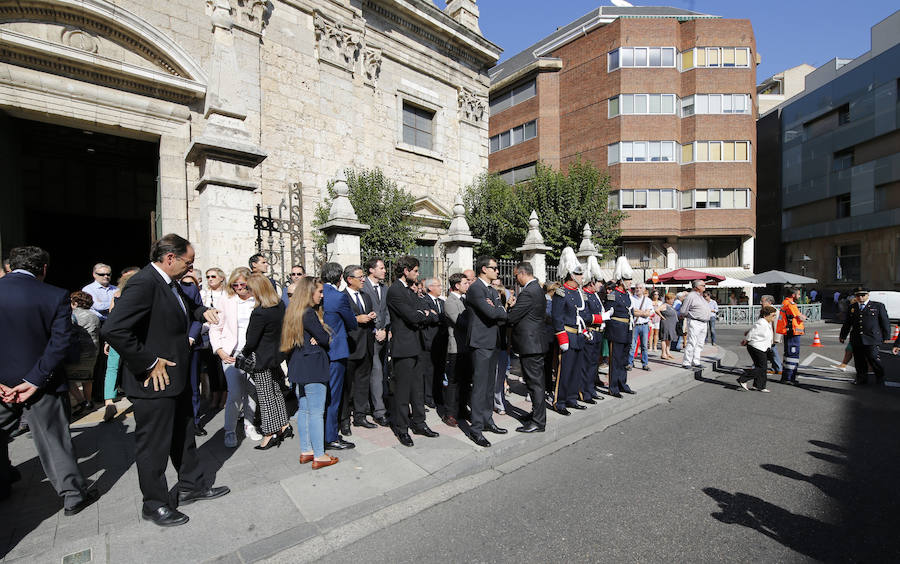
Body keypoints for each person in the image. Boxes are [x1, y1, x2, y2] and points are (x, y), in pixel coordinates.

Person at [102, 234, 229, 527]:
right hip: (153, 382)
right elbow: (114, 330)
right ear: (170, 258)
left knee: (183, 437)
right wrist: (148, 361)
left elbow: (186, 305)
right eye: (189, 261)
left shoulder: (169, 283)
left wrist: (202, 311)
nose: (191, 267)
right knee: (154, 446)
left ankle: (191, 485)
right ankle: (155, 503)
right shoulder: (144, 283)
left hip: (177, 378)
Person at [0, 246, 99, 512]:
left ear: (10, 266)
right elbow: (60, 343)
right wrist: (33, 380)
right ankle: (73, 495)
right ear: (44, 269)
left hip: (2, 385)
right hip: (43, 383)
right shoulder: (54, 295)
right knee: (53, 438)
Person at [282, 276, 339, 470]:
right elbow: (324, 338)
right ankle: (320, 455)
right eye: (319, 292)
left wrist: (316, 336)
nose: (322, 296)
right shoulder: (309, 313)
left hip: (299, 364)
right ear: (309, 293)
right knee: (316, 412)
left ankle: (306, 450)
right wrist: (321, 333)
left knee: (305, 410)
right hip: (313, 365)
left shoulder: (293, 311)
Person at [386, 256, 439, 447]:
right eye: (415, 271)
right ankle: (401, 428)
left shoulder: (411, 290)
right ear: (405, 271)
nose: (418, 275)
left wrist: (423, 314)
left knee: (418, 388)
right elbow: (411, 316)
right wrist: (424, 315)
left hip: (417, 345)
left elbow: (427, 312)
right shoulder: (395, 291)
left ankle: (419, 423)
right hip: (403, 347)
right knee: (402, 391)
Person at [209, 267, 261, 447]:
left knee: (252, 392)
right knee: (235, 393)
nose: (238, 287)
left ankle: (249, 424)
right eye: (235, 284)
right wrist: (220, 350)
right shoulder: (227, 300)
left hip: (253, 353)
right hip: (232, 353)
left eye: (242, 284)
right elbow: (215, 327)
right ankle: (229, 430)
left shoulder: (258, 299)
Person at [241, 273, 291, 449]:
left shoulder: (259, 313)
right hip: (276, 356)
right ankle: (284, 425)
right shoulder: (279, 305)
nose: (248, 291)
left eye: (249, 288)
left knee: (265, 396)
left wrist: (243, 353)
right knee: (277, 391)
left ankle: (269, 433)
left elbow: (252, 341)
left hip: (261, 358)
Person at [465, 256, 509, 447]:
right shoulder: (476, 289)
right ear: (484, 269)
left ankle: (487, 420)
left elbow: (501, 313)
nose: (497, 271)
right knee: (480, 386)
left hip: (493, 341)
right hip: (481, 343)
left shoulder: (491, 290)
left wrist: (497, 307)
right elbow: (492, 313)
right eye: (494, 268)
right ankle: (476, 429)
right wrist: (497, 309)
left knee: (490, 385)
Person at [505, 262, 548, 433]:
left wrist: (509, 307)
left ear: (523, 273)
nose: (516, 279)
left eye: (516, 275)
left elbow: (512, 318)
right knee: (534, 383)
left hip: (531, 345)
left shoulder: (528, 293)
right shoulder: (536, 289)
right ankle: (536, 415)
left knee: (535, 383)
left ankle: (538, 421)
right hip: (534, 343)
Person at [319, 262, 358, 451]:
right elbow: (351, 322)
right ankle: (331, 436)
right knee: (334, 397)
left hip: (319, 351)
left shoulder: (316, 294)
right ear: (340, 277)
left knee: (320, 396)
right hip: (336, 351)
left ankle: (320, 433)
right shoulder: (338, 296)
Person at [551, 250, 592, 414]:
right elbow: (557, 317)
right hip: (567, 335)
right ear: (571, 275)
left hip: (579, 335)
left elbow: (585, 315)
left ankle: (572, 398)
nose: (582, 278)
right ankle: (559, 401)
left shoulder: (580, 293)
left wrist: (587, 329)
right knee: (565, 370)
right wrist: (562, 337)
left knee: (576, 370)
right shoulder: (561, 292)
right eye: (579, 275)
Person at [102, 266, 141, 422]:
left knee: (112, 368)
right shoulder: (139, 295)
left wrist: (108, 340)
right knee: (132, 365)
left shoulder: (116, 295)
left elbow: (111, 319)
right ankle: (135, 396)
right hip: (133, 336)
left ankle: (109, 402)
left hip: (117, 336)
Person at [342, 265, 378, 432]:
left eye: (363, 276)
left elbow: (369, 317)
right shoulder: (341, 298)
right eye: (360, 277)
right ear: (350, 279)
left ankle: (360, 416)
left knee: (363, 383)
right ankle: (343, 420)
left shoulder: (366, 296)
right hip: (350, 346)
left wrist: (371, 318)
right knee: (347, 386)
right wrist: (357, 319)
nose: (363, 279)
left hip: (366, 346)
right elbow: (338, 321)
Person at [840, 287, 891, 386]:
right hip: (857, 337)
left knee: (873, 358)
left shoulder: (878, 306)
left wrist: (886, 336)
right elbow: (847, 323)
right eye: (858, 295)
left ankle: (880, 377)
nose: (861, 297)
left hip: (872, 337)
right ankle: (861, 378)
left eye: (863, 295)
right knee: (859, 360)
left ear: (868, 295)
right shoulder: (853, 307)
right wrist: (843, 335)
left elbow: (885, 322)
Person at [360, 258, 390, 427]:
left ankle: (379, 404)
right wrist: (375, 331)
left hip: (383, 336)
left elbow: (386, 311)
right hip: (369, 337)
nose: (384, 270)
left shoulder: (385, 288)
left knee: (381, 373)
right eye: (381, 268)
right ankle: (378, 411)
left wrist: (385, 329)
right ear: (371, 270)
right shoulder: (363, 287)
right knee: (376, 372)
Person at [64, 290, 101, 415]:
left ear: (74, 302)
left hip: (77, 353)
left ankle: (80, 401)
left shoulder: (71, 315)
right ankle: (89, 400)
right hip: (92, 353)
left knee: (67, 378)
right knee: (87, 378)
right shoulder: (95, 316)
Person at [179, 271, 206, 435]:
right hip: (166, 348)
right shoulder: (157, 287)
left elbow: (198, 314)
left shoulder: (190, 289)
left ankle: (194, 421)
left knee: (193, 385)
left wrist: (191, 336)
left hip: (190, 346)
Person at [605, 258, 636, 398]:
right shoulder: (613, 295)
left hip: (627, 329)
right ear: (621, 280)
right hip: (617, 330)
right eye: (627, 280)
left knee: (624, 360)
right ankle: (613, 387)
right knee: (615, 360)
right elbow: (608, 314)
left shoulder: (626, 295)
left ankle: (623, 384)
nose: (630, 282)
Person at [442, 272, 469, 426]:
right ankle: (449, 413)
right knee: (453, 382)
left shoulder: (465, 299)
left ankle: (462, 408)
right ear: (457, 285)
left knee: (465, 381)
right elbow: (460, 323)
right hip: (456, 348)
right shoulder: (450, 302)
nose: (468, 285)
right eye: (465, 283)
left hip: (466, 347)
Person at [200, 268, 228, 410]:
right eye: (208, 276)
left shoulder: (228, 294)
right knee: (212, 368)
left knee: (223, 368)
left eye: (213, 276)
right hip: (208, 336)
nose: (210, 279)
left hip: (224, 336)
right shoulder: (204, 294)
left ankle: (224, 395)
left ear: (221, 278)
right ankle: (215, 394)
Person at [737, 305, 777, 392]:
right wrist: (746, 340)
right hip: (756, 347)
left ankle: (759, 386)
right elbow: (752, 333)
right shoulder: (761, 323)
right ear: (766, 315)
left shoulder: (766, 323)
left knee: (762, 367)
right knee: (762, 367)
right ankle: (743, 379)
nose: (774, 317)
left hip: (762, 347)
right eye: (773, 315)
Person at [422, 277, 448, 410]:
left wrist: (436, 316)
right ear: (430, 287)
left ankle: (438, 395)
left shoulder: (442, 302)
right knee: (429, 371)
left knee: (440, 370)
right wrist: (438, 317)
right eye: (438, 285)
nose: (441, 287)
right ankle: (428, 397)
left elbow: (443, 317)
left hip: (442, 341)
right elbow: (429, 319)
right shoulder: (424, 301)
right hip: (429, 341)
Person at [776, 287, 807, 385]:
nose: (799, 296)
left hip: (789, 331)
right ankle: (789, 378)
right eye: (798, 294)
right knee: (792, 355)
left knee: (788, 355)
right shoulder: (790, 304)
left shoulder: (785, 302)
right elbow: (800, 317)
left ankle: (786, 377)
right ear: (793, 295)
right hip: (793, 332)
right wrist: (804, 317)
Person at [489, 278, 510, 414]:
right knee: (491, 376)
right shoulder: (492, 310)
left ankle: (499, 402)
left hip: (502, 345)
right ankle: (492, 402)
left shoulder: (506, 311)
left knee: (500, 377)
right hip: (491, 346)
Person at [679, 280, 710, 369]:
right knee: (692, 342)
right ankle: (686, 362)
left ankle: (696, 361)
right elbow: (683, 310)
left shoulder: (700, 296)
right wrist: (689, 315)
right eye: (703, 285)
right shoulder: (691, 296)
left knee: (700, 343)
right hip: (695, 321)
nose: (705, 287)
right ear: (697, 287)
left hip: (703, 322)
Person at [627, 283, 653, 371]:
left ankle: (645, 364)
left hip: (644, 325)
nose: (638, 289)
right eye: (637, 288)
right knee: (632, 345)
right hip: (635, 325)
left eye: (640, 288)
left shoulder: (648, 300)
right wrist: (643, 312)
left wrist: (639, 312)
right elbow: (633, 311)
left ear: (644, 289)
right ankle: (630, 363)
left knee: (644, 346)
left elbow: (648, 313)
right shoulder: (631, 299)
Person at [760, 295, 782, 375]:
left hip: (770, 335)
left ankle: (778, 367)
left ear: (769, 302)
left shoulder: (774, 311)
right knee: (770, 352)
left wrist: (776, 338)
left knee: (772, 351)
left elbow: (776, 325)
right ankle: (775, 367)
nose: (761, 303)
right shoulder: (766, 310)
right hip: (766, 335)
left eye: (762, 301)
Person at [656, 292, 678, 360]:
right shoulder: (665, 305)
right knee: (664, 338)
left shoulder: (670, 306)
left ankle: (668, 352)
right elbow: (657, 310)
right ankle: (663, 353)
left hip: (671, 324)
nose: (673, 301)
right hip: (666, 323)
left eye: (673, 299)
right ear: (667, 299)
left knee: (669, 338)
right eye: (671, 299)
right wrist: (661, 316)